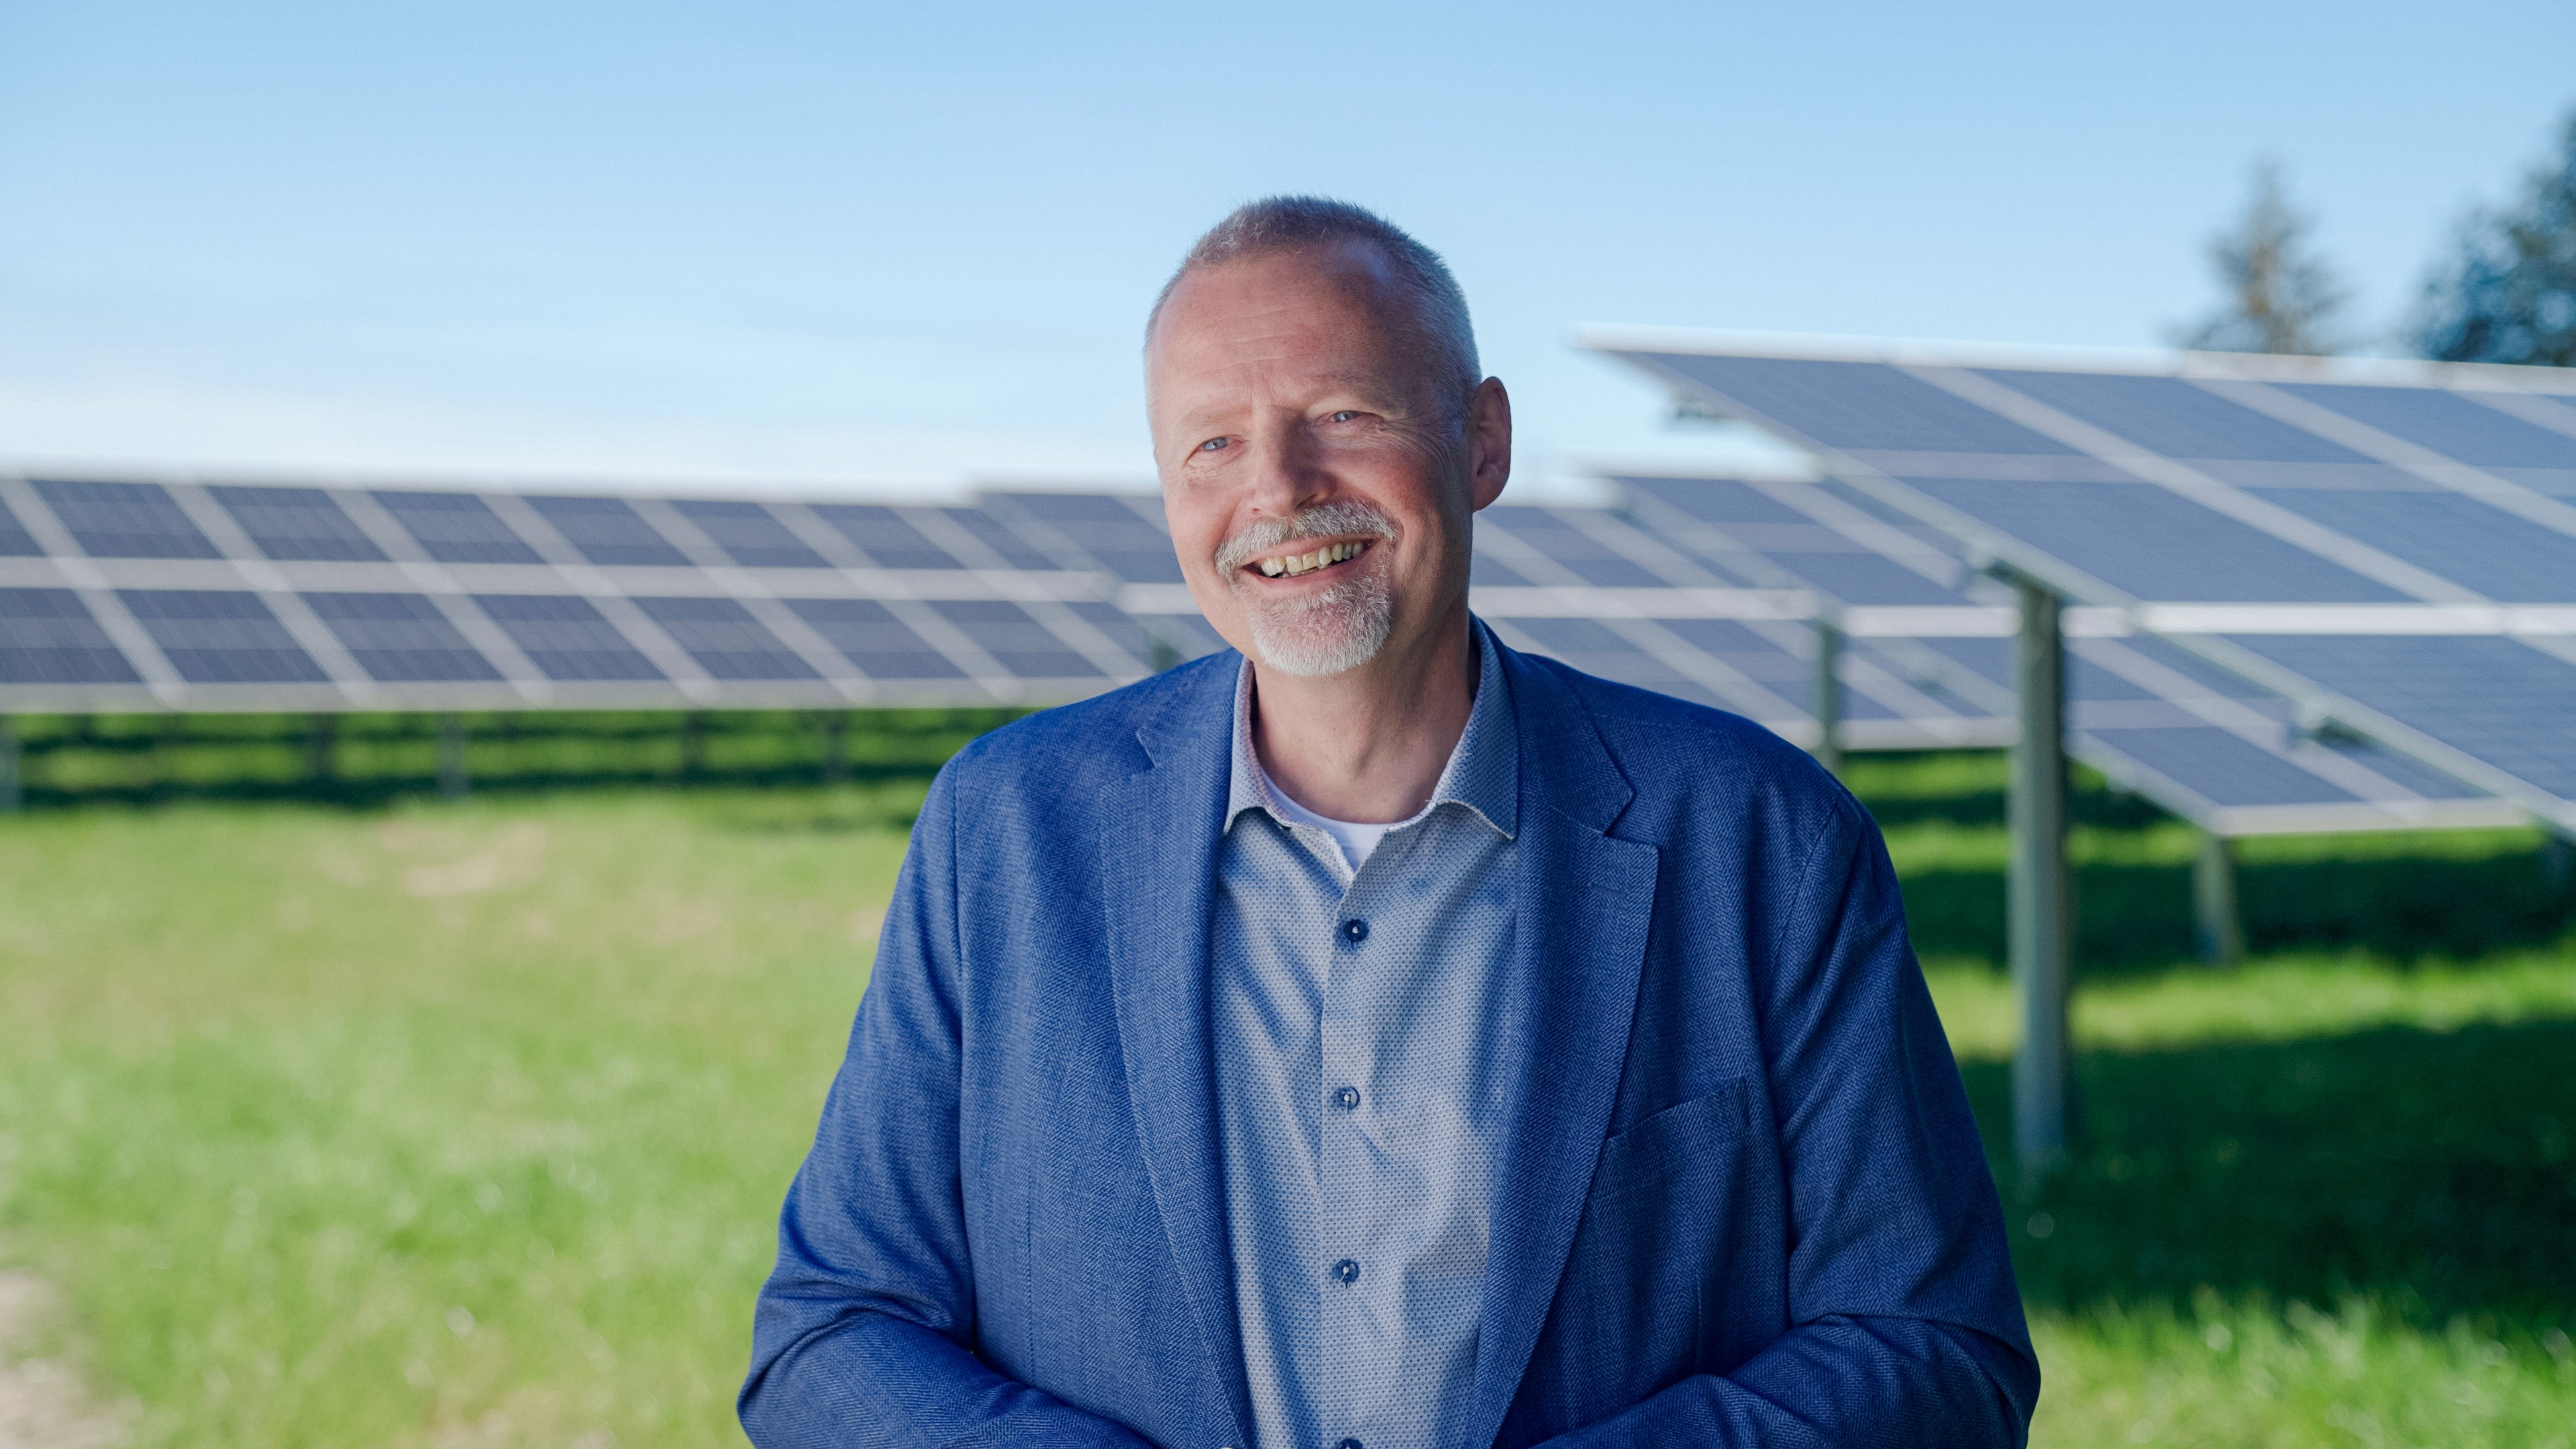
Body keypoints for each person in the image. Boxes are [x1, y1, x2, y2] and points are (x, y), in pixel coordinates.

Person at [741, 197, 2037, 1449]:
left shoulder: (1761, 839)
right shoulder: (1004, 834)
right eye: (1213, 445)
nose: (1281, 491)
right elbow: (834, 1333)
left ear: (1482, 443)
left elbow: (1932, 1349)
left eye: (1343, 414)